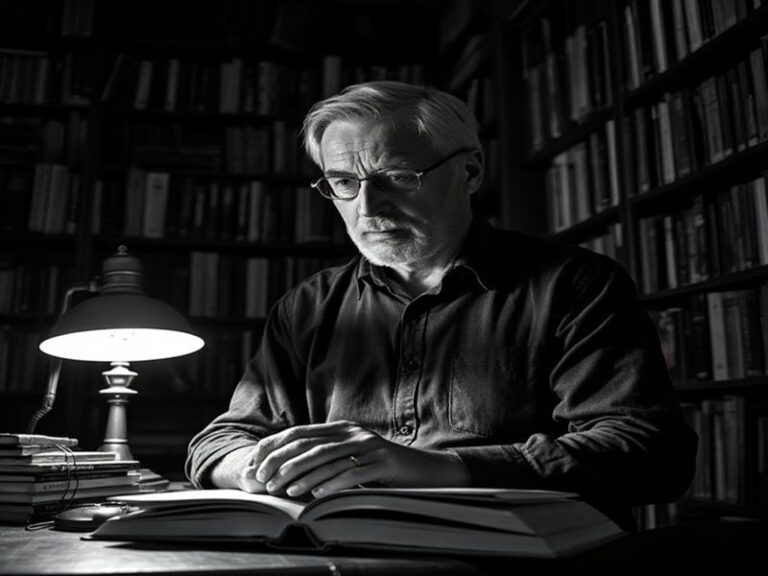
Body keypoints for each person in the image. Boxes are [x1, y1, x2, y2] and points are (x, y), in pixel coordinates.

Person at [186, 81, 697, 530]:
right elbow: (220, 440)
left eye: (398, 177)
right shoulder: (308, 306)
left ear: (471, 171)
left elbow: (648, 452)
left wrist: (434, 468)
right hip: (346, 552)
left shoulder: (575, 286)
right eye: (344, 182)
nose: (368, 208)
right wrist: (261, 463)